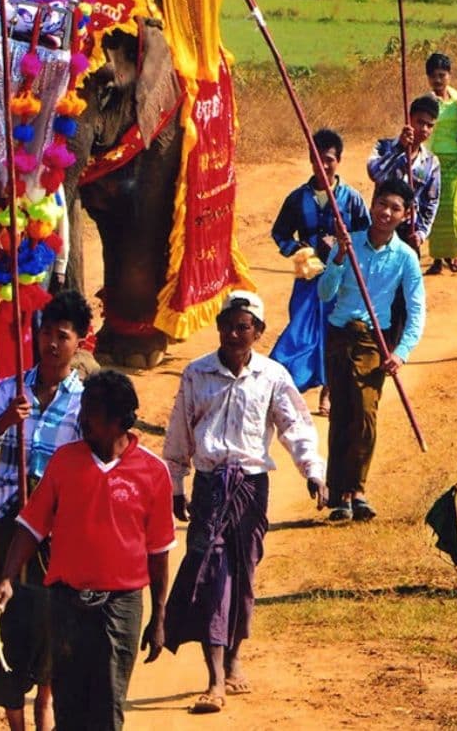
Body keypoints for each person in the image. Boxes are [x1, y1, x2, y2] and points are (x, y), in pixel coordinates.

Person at [161, 291, 327, 714]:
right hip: (210, 486)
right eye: (228, 325)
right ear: (218, 327)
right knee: (212, 574)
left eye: (244, 326)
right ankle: (214, 679)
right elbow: (179, 431)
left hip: (252, 490)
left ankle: (234, 657)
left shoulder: (273, 376)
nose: (234, 334)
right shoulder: (196, 374)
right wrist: (176, 484)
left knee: (243, 574)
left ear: (259, 332)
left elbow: (295, 427)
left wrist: (314, 473)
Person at [0, 370, 174, 731]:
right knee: (69, 708)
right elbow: (31, 526)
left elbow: (159, 552)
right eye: (83, 409)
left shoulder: (154, 471)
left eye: (93, 412)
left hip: (120, 608)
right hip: (65, 604)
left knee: (106, 708)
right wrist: (7, 578)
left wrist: (159, 617)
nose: (82, 419)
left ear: (120, 421)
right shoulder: (64, 462)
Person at [0, 290, 91, 730]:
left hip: (58, 528)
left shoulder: (83, 401)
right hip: (7, 520)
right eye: (45, 334)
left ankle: (46, 704)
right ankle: (15, 715)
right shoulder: (8, 390)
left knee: (50, 618)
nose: (51, 344)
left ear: (80, 342)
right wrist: (4, 424)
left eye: (62, 336)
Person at [316, 177, 425, 522]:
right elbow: (324, 293)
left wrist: (401, 352)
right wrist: (339, 259)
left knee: (365, 416)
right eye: (382, 204)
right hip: (338, 337)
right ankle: (339, 496)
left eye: (395, 208)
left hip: (372, 342)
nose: (386, 213)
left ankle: (357, 489)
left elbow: (417, 309)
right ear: (372, 203)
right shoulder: (348, 243)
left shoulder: (406, 258)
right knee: (343, 416)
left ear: (405, 215)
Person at [267, 130, 370, 400]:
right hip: (308, 277)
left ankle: (329, 389)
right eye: (316, 159)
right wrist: (299, 248)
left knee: (336, 332)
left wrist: (341, 242)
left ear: (339, 160)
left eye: (328, 159)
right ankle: (280, 385)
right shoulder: (297, 199)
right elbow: (280, 233)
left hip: (341, 278)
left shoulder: (351, 199)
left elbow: (366, 235)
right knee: (299, 331)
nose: (322, 165)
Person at [366, 96, 442, 256]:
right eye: (420, 122)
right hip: (379, 226)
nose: (424, 129)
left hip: (408, 232)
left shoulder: (431, 162)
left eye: (430, 125)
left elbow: (431, 203)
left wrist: (421, 234)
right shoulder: (383, 147)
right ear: (409, 120)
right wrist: (399, 148)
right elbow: (375, 173)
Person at [424, 53, 457, 274]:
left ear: (449, 76)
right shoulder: (425, 103)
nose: (438, 80)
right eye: (433, 76)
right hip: (432, 162)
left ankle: (453, 254)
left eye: (442, 75)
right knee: (434, 209)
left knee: (451, 208)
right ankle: (436, 258)